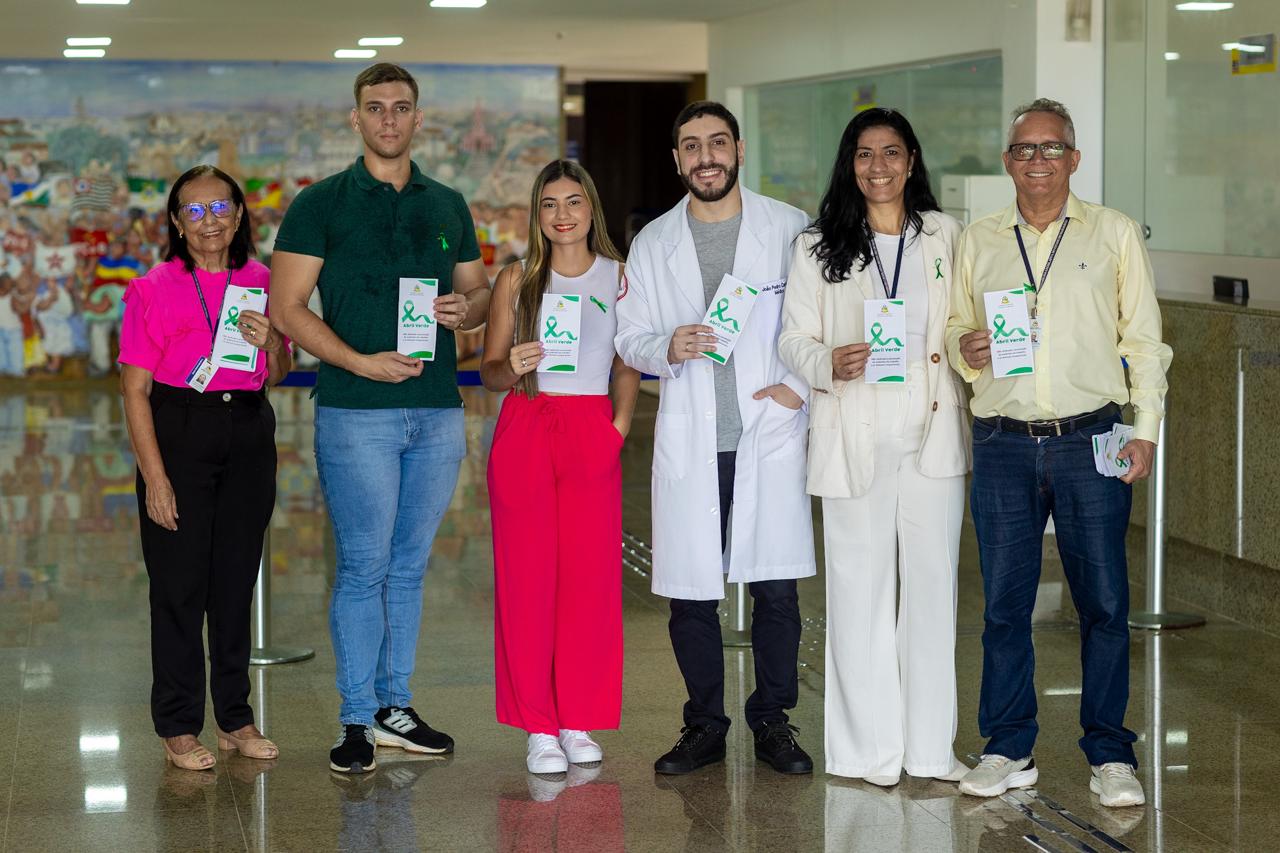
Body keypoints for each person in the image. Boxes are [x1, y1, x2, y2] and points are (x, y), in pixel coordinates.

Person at [945, 98, 1172, 807]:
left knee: (1103, 602)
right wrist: (968, 349)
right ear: (1007, 161)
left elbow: (1143, 339)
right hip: (1005, 443)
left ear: (1074, 159)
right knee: (1004, 605)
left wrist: (1146, 427)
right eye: (1023, 149)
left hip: (1091, 438)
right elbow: (957, 326)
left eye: (1051, 149)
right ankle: (1009, 744)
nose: (1036, 161)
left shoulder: (1113, 233)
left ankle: (1110, 752)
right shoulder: (979, 239)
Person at [270, 63, 491, 775]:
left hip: (435, 411)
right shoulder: (319, 204)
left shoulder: (448, 203)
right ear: (355, 119)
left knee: (409, 566)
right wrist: (361, 362)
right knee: (364, 565)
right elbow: (287, 309)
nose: (389, 119)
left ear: (418, 118)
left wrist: (468, 312)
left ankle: (396, 705)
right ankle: (356, 718)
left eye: (401, 108)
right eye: (376, 108)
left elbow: (478, 294)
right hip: (356, 411)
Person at [615, 100, 816, 776]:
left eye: (718, 142)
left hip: (768, 432)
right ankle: (704, 722)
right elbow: (628, 336)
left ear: (738, 149)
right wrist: (664, 344)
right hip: (692, 438)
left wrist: (801, 387)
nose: (706, 156)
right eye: (692, 145)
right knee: (691, 592)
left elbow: (821, 320)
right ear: (677, 159)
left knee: (776, 591)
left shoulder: (790, 229)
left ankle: (773, 719)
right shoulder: (653, 243)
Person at [778, 108, 970, 786]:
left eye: (891, 152)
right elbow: (792, 339)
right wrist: (831, 359)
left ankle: (927, 748)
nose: (878, 166)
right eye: (864, 154)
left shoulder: (946, 235)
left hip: (931, 432)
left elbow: (966, 322)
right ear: (849, 163)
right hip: (853, 427)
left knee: (931, 592)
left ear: (913, 160)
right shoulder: (815, 244)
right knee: (858, 593)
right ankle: (865, 751)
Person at [119, 165, 292, 771]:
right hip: (179, 429)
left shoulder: (264, 280)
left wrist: (273, 342)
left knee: (234, 581)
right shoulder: (152, 287)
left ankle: (235, 716)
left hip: (247, 430)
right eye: (193, 211)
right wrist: (157, 478)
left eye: (220, 208)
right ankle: (177, 723)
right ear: (175, 221)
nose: (209, 221)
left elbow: (276, 373)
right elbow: (135, 391)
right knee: (178, 585)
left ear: (240, 214)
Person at [481, 160, 640, 774]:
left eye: (573, 201)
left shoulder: (621, 277)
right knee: (526, 581)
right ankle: (537, 727)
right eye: (550, 204)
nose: (563, 215)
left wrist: (617, 429)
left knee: (589, 581)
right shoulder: (518, 279)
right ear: (537, 213)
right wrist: (513, 365)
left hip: (589, 428)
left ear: (591, 208)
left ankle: (577, 719)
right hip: (526, 425)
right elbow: (491, 370)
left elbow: (627, 361)